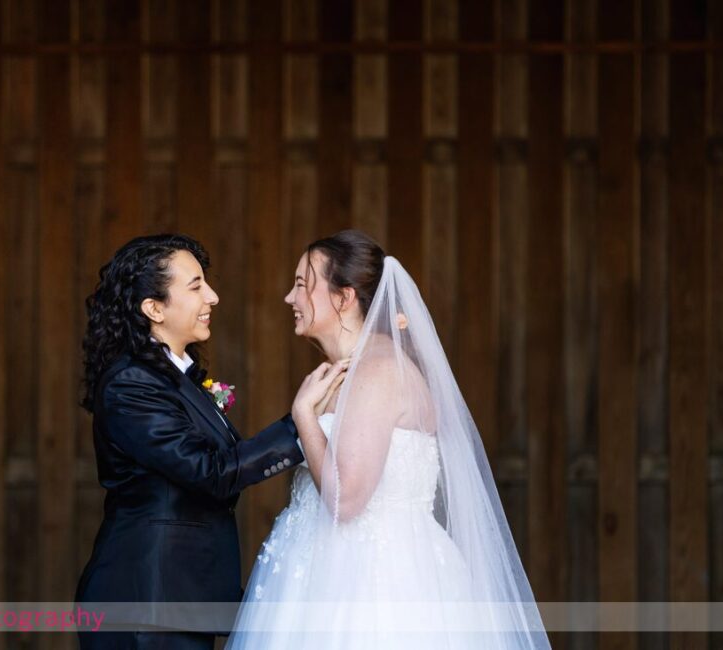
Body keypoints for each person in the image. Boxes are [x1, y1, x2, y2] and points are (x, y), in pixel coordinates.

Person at [227, 230, 550, 649]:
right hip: (321, 570)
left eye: (302, 285)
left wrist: (304, 416)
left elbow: (346, 499)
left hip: (372, 582)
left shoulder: (377, 370)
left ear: (344, 297)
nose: (290, 298)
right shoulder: (352, 369)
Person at [75, 234, 345, 650]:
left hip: (180, 599)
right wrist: (301, 421)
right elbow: (212, 472)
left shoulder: (177, 377)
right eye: (196, 285)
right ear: (154, 308)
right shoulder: (132, 383)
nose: (213, 297)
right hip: (146, 601)